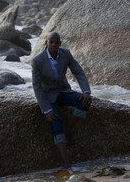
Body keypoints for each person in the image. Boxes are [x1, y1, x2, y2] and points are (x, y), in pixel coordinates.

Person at [31, 32, 91, 171]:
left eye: (56, 42)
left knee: (85, 101)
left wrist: (86, 91)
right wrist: (46, 109)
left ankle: (68, 130)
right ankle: (67, 163)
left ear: (60, 43)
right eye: (51, 42)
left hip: (64, 91)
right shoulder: (37, 61)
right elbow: (37, 87)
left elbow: (78, 72)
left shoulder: (66, 54)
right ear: (46, 43)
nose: (54, 44)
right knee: (55, 123)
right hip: (48, 96)